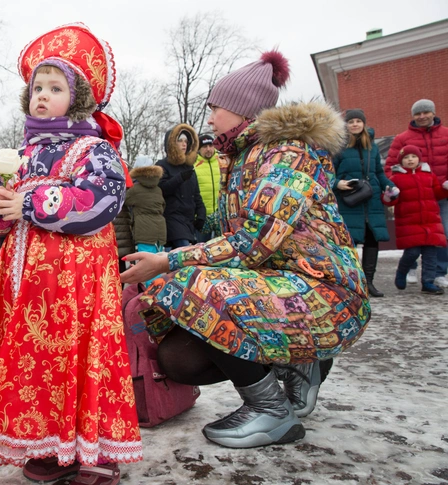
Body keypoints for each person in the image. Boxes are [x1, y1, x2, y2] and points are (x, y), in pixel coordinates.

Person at [121, 50, 370, 449]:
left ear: (242, 110)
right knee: (177, 357)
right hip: (278, 287)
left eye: (215, 108)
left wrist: (167, 261)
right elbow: (223, 237)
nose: (210, 118)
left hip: (328, 293)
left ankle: (272, 410)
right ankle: (299, 366)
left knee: (191, 284)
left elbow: (252, 244)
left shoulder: (289, 154)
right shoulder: (241, 159)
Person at [0, 24, 142, 483]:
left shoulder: (93, 149)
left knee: (81, 358)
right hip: (26, 290)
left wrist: (31, 203)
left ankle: (94, 451)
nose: (42, 95)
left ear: (80, 98)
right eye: (37, 87)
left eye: (56, 87)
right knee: (34, 363)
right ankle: (47, 446)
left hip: (78, 288)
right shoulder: (19, 156)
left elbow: (101, 201)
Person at [332, 109, 395, 298]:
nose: (355, 124)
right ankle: (353, 283)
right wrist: (337, 184)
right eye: (351, 121)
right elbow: (328, 173)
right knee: (350, 242)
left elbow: (379, 172)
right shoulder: (338, 145)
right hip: (349, 200)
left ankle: (369, 283)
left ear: (364, 124)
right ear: (347, 125)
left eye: (358, 121)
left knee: (371, 240)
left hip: (371, 199)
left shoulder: (372, 146)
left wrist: (389, 186)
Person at [385, 99, 448, 288]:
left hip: (439, 193)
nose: (422, 117)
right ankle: (410, 268)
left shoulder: (446, 135)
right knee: (412, 234)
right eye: (418, 114)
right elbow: (389, 167)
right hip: (410, 195)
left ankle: (438, 273)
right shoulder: (402, 138)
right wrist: (395, 185)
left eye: (425, 113)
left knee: (441, 234)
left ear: (433, 113)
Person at [157, 124, 206, 249]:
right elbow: (162, 189)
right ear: (171, 143)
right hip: (172, 217)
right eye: (180, 141)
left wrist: (201, 214)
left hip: (189, 219)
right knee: (185, 253)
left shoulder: (189, 167)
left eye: (186, 141)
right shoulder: (162, 164)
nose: (184, 144)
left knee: (184, 258)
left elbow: (196, 194)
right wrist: (179, 178)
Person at [194, 133, 221, 241]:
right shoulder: (193, 164)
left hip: (220, 216)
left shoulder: (222, 161)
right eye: (204, 147)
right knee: (201, 250)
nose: (208, 149)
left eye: (211, 146)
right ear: (199, 149)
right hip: (202, 217)